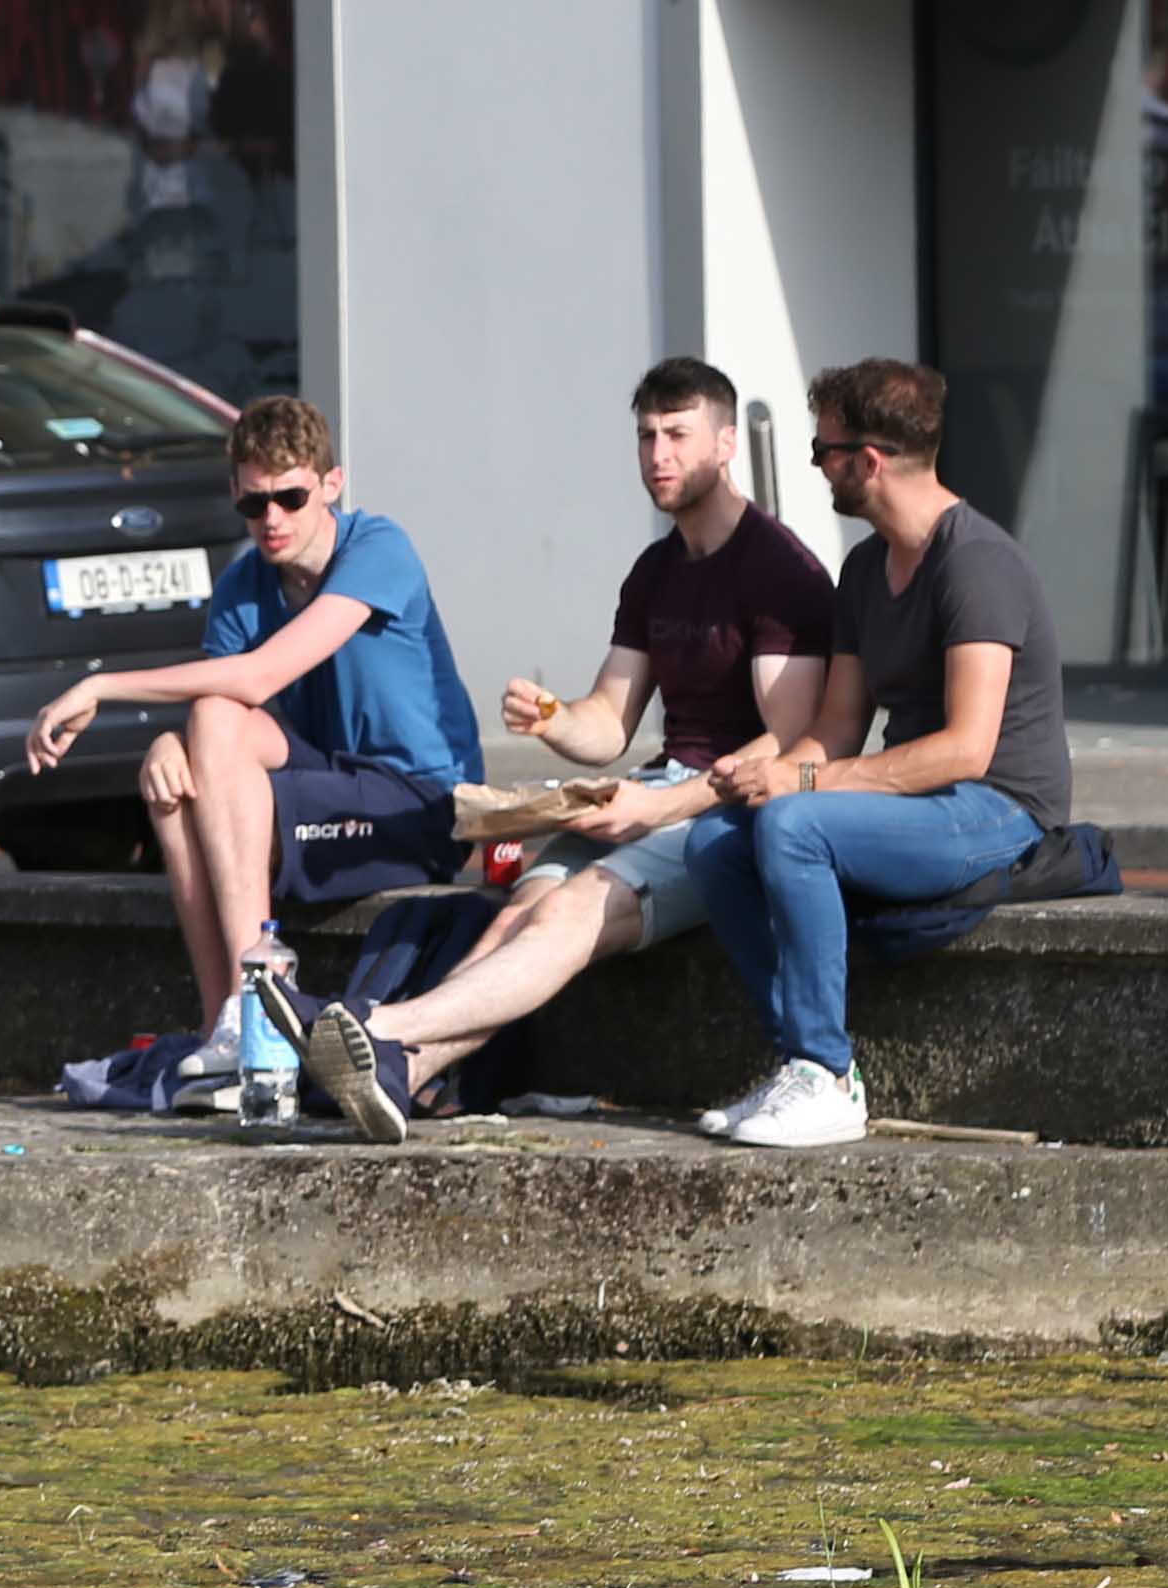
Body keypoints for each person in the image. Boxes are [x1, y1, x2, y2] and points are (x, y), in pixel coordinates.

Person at [278, 357, 833, 1142]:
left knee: (564, 915)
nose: (658, 456)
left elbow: (783, 746)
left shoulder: (780, 572)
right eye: (645, 437)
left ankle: (379, 1026)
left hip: (722, 816)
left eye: (678, 435)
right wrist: (551, 717)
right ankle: (405, 1078)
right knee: (516, 917)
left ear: (727, 443)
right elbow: (609, 721)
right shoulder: (655, 572)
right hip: (649, 792)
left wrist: (663, 805)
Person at [22, 393, 480, 1104]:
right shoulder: (245, 582)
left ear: (332, 485)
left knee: (208, 722)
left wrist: (103, 685)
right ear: (235, 494)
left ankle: (259, 1006)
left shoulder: (379, 548)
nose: (272, 520)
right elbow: (227, 714)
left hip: (415, 802)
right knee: (182, 763)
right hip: (324, 779)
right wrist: (169, 746)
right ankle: (226, 1029)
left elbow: (264, 673)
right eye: (254, 504)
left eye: (291, 498)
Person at [676, 358, 1069, 1151]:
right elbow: (838, 730)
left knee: (795, 827)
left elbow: (967, 748)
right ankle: (798, 1059)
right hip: (919, 800)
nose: (818, 468)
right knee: (716, 843)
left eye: (824, 452)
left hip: (999, 808)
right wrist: (769, 772)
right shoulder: (863, 570)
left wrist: (805, 782)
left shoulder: (976, 563)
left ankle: (827, 1074)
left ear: (869, 461)